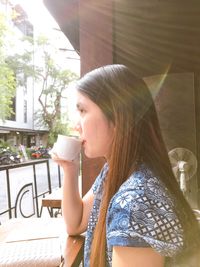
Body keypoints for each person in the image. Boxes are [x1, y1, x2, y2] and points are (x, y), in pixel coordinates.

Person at [52, 65, 200, 267]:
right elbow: (75, 223)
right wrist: (70, 169)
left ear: (117, 115)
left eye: (83, 110)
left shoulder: (136, 201)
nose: (75, 125)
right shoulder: (117, 171)